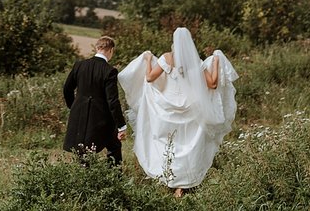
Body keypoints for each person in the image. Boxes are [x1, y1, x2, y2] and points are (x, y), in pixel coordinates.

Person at [117, 27, 238, 197]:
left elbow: (150, 78)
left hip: (167, 107)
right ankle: (182, 185)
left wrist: (147, 60)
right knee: (187, 144)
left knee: (166, 143)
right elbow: (212, 84)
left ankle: (167, 177)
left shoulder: (167, 57)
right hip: (190, 108)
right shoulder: (194, 61)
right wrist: (216, 62)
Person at [63, 35, 128, 165]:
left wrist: (74, 106)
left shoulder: (79, 65)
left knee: (83, 148)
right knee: (114, 146)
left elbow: (67, 89)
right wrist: (121, 125)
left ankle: (84, 175)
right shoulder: (110, 71)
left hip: (80, 114)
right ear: (111, 50)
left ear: (97, 48)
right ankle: (114, 177)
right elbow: (112, 101)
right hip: (102, 118)